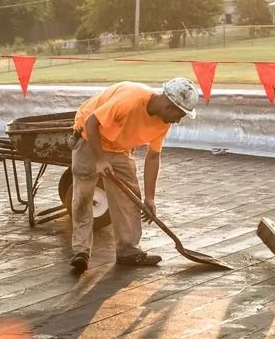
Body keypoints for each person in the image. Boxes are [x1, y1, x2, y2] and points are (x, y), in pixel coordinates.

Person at [68, 78, 200, 273]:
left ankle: (128, 251)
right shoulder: (129, 100)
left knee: (129, 196)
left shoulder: (163, 123)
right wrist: (100, 159)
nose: (178, 120)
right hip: (90, 138)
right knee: (83, 195)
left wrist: (150, 198)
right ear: (168, 104)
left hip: (119, 146)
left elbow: (153, 157)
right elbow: (91, 123)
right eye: (179, 114)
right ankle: (81, 251)